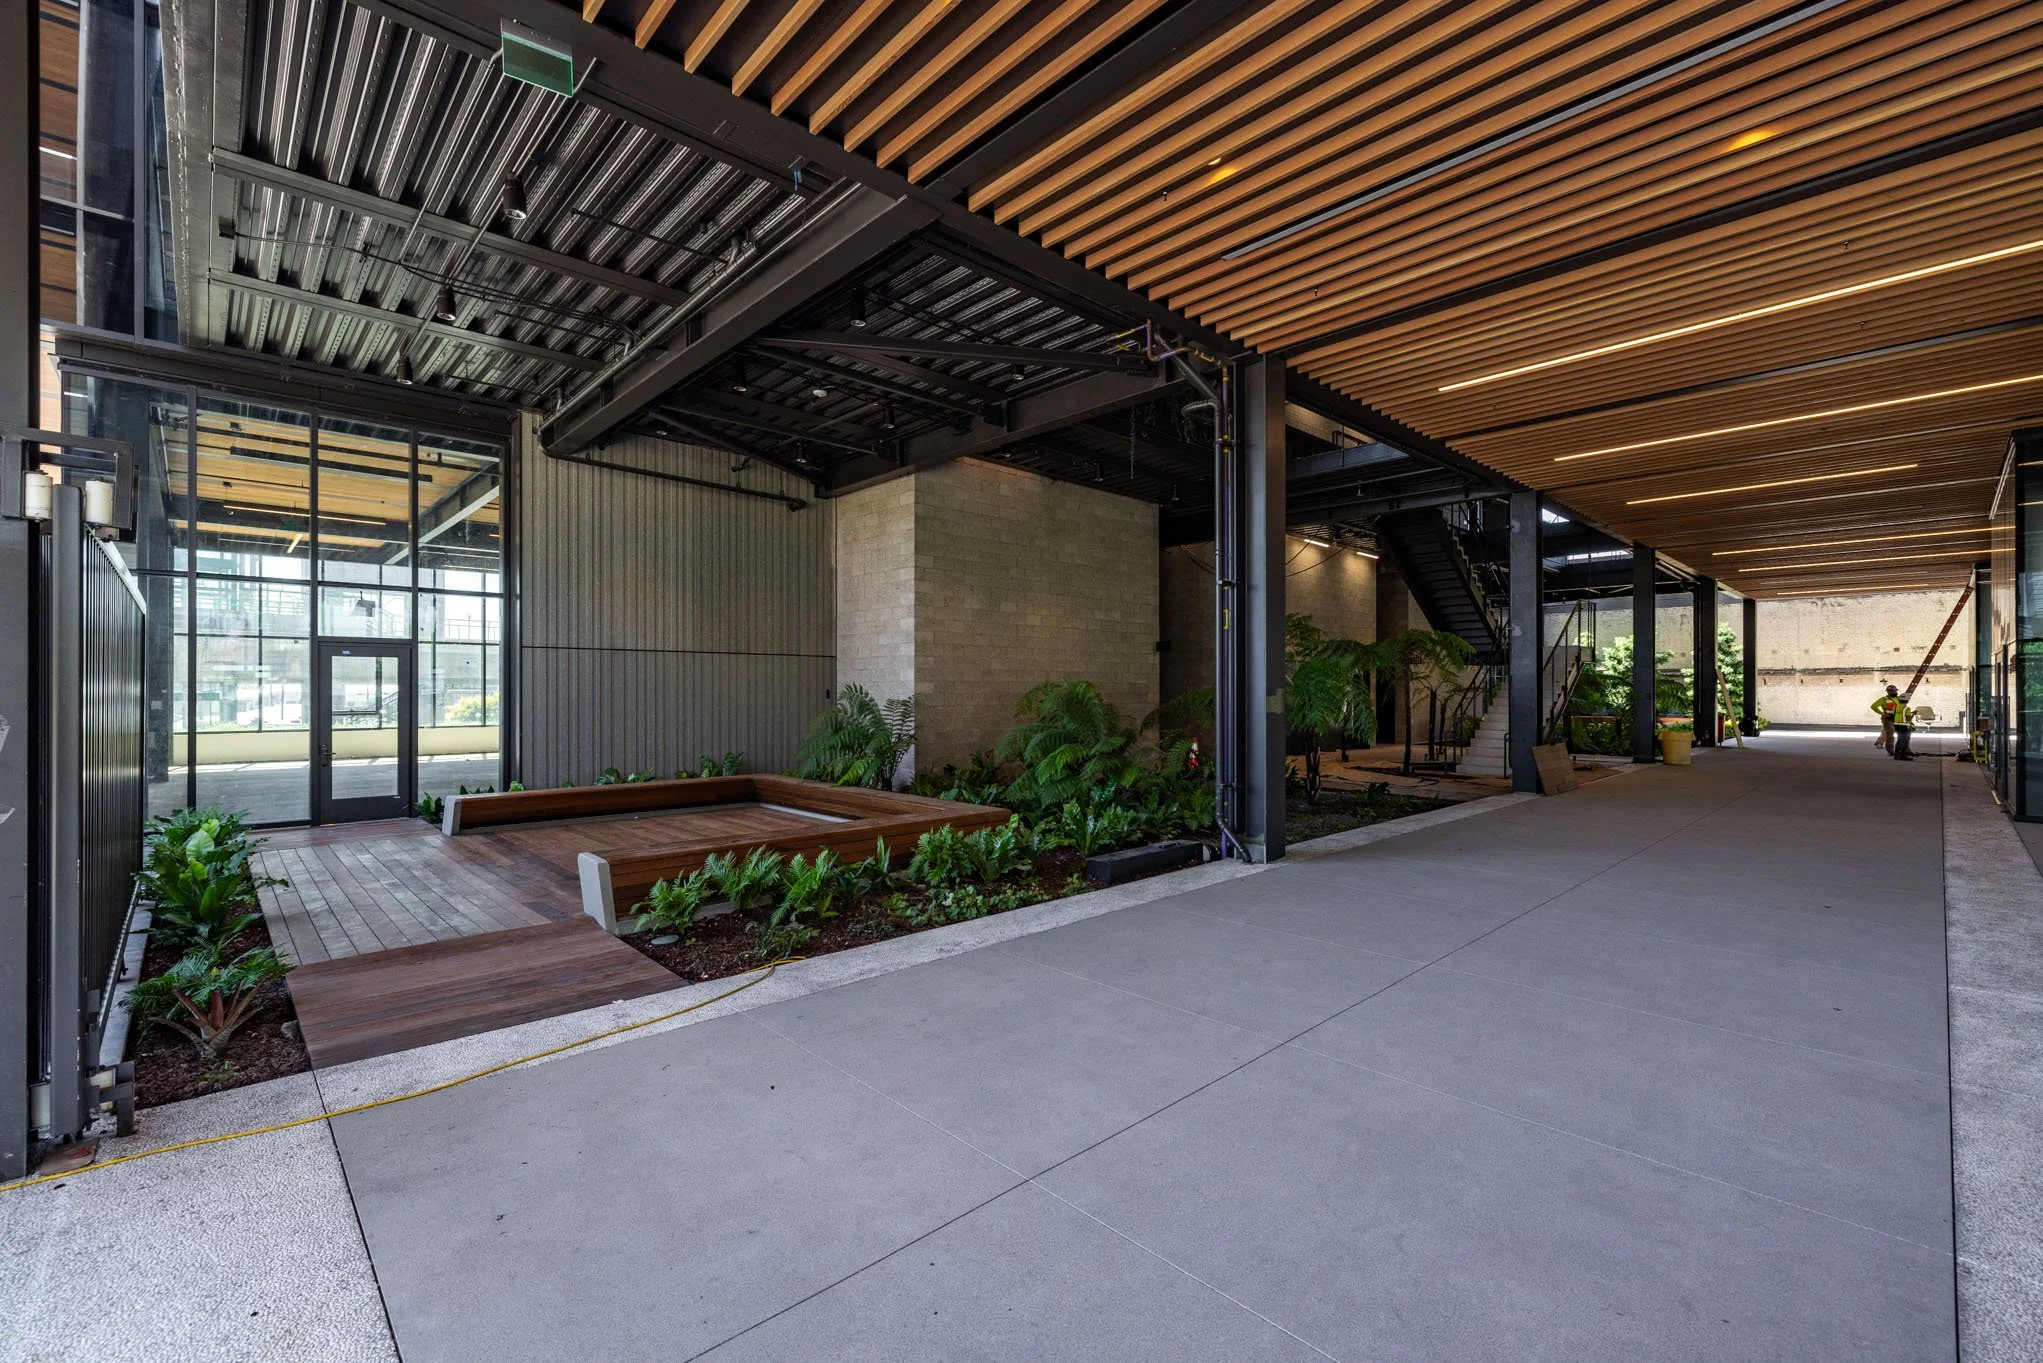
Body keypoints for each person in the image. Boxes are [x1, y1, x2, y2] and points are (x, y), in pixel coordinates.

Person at [1871, 685, 1902, 752]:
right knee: (1890, 734)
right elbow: (1873, 706)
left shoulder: (1898, 699)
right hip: (1887, 719)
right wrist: (1882, 713)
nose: (1894, 692)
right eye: (1893, 691)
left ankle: (1879, 743)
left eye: (1895, 691)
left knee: (1901, 734)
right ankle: (1890, 750)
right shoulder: (1883, 699)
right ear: (1888, 692)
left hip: (1897, 718)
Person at [1891, 696, 1918, 761]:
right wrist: (1913, 714)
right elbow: (1908, 719)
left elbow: (1897, 715)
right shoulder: (1907, 709)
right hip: (1904, 726)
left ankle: (1896, 755)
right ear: (1907, 701)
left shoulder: (1895, 707)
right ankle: (1902, 756)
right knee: (1904, 741)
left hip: (1896, 725)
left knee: (1899, 740)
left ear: (1899, 700)